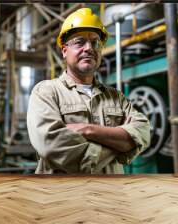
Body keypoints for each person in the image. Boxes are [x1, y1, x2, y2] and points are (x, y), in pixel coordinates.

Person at [27, 8, 150, 174]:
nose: (89, 48)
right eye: (79, 42)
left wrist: (86, 129)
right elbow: (52, 146)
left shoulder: (116, 97)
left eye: (95, 42)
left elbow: (143, 131)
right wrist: (120, 147)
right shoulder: (46, 92)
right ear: (64, 51)